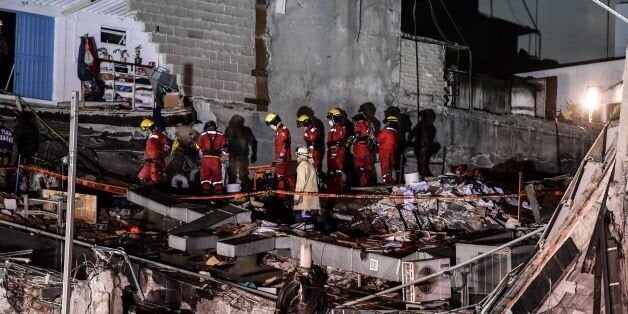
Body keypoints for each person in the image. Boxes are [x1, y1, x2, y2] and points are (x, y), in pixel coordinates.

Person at [224, 115, 257, 191]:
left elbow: (254, 142)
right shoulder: (231, 130)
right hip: (235, 157)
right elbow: (225, 142)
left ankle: (245, 193)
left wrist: (254, 154)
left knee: (242, 175)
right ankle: (238, 194)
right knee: (234, 175)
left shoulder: (243, 130)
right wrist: (254, 154)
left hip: (240, 157)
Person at [197, 121, 229, 194]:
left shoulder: (202, 134)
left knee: (205, 179)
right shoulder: (221, 135)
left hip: (205, 159)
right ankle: (219, 195)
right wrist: (224, 157)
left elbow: (198, 147)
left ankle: (205, 195)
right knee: (217, 179)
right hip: (216, 159)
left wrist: (200, 156)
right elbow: (226, 148)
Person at [264, 112, 294, 190]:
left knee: (280, 177)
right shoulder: (282, 129)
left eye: (270, 124)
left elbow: (285, 145)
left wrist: (280, 157)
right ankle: (293, 195)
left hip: (282, 158)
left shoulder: (281, 131)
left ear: (274, 122)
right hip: (284, 157)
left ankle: (282, 197)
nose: (270, 126)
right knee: (288, 176)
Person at [138, 118, 171, 186]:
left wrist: (163, 153)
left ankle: (158, 191)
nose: (145, 132)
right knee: (142, 176)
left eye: (146, 130)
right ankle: (146, 190)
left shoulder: (158, 135)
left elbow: (169, 143)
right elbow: (149, 149)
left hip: (156, 162)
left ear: (150, 127)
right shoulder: (149, 138)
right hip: (148, 161)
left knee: (154, 179)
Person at [293, 147, 321, 225]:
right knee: (314, 219)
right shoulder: (310, 165)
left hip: (305, 200)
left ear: (299, 155)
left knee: (299, 219)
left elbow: (300, 184)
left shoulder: (302, 166)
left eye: (297, 155)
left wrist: (296, 200)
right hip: (314, 197)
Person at [325, 108, 347, 194]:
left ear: (335, 118)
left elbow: (340, 142)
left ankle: (338, 192)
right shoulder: (333, 128)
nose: (329, 121)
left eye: (330, 119)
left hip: (336, 152)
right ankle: (331, 192)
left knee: (336, 172)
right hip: (331, 152)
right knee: (331, 172)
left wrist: (335, 152)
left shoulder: (340, 128)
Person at [350, 112, 375, 187]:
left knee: (359, 166)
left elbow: (357, 135)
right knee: (366, 166)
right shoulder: (368, 125)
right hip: (366, 146)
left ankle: (362, 184)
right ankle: (366, 183)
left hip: (360, 147)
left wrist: (352, 145)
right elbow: (371, 136)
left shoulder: (359, 124)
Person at [377, 116, 399, 184]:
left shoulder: (385, 132)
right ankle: (387, 180)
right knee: (388, 167)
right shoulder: (393, 132)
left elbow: (378, 140)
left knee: (387, 167)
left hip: (386, 152)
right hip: (388, 152)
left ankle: (388, 180)